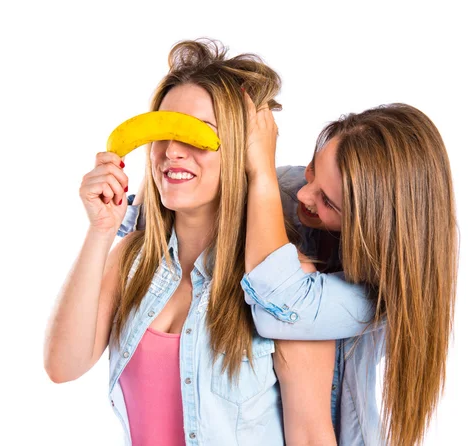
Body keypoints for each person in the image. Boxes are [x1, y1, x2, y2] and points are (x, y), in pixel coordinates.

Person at [43, 38, 290, 446]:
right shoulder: (131, 261)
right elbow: (62, 366)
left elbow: (312, 433)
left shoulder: (279, 283)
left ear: (241, 150)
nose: (173, 151)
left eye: (197, 135)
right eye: (164, 133)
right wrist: (101, 230)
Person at [242, 99, 458, 445]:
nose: (303, 193)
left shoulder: (379, 295)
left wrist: (261, 171)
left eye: (328, 202)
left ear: (373, 227)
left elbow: (280, 305)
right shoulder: (287, 190)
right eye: (312, 169)